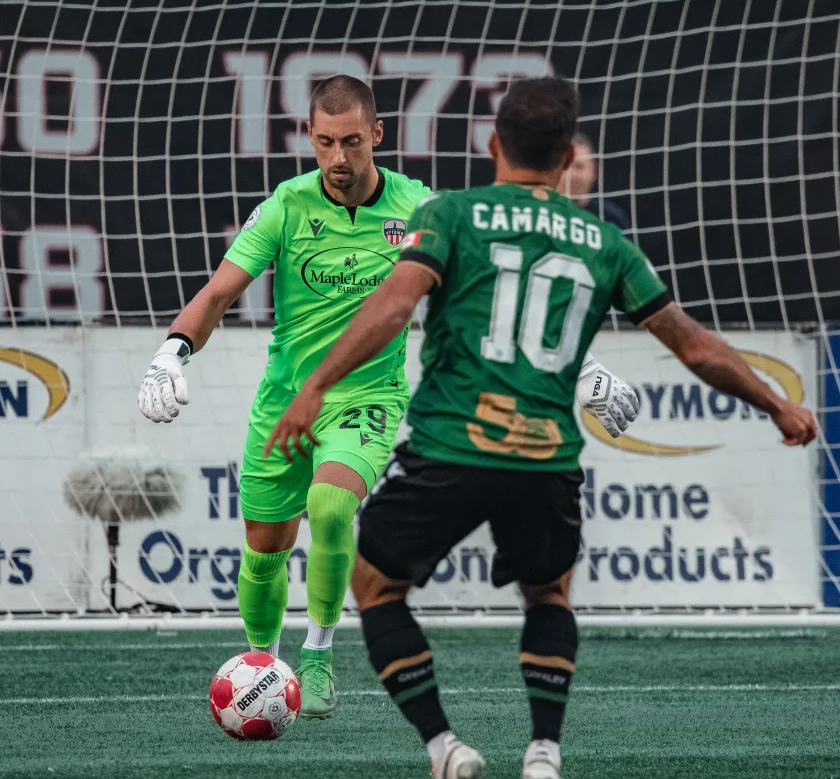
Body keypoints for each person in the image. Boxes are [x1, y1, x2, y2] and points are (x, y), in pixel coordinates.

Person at [265, 76, 817, 779]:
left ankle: (444, 745)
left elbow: (392, 306)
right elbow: (695, 344)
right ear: (568, 158)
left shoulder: (448, 215)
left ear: (494, 146)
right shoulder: (606, 242)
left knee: (376, 585)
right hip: (544, 459)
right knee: (549, 596)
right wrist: (778, 404)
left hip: (451, 448)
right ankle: (545, 753)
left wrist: (315, 385)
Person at [136, 75, 638, 719]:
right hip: (285, 399)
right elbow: (216, 294)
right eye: (324, 142)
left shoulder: (418, 208)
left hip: (368, 398)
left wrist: (584, 368)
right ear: (309, 139)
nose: (338, 158)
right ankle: (262, 663)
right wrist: (170, 351)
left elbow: (488, 293)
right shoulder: (286, 207)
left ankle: (317, 652)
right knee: (263, 548)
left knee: (330, 506)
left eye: (351, 141)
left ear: (377, 133)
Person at [560, 131, 631, 230]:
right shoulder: (537, 213)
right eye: (565, 166)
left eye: (579, 166)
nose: (571, 174)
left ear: (595, 172)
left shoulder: (610, 218)